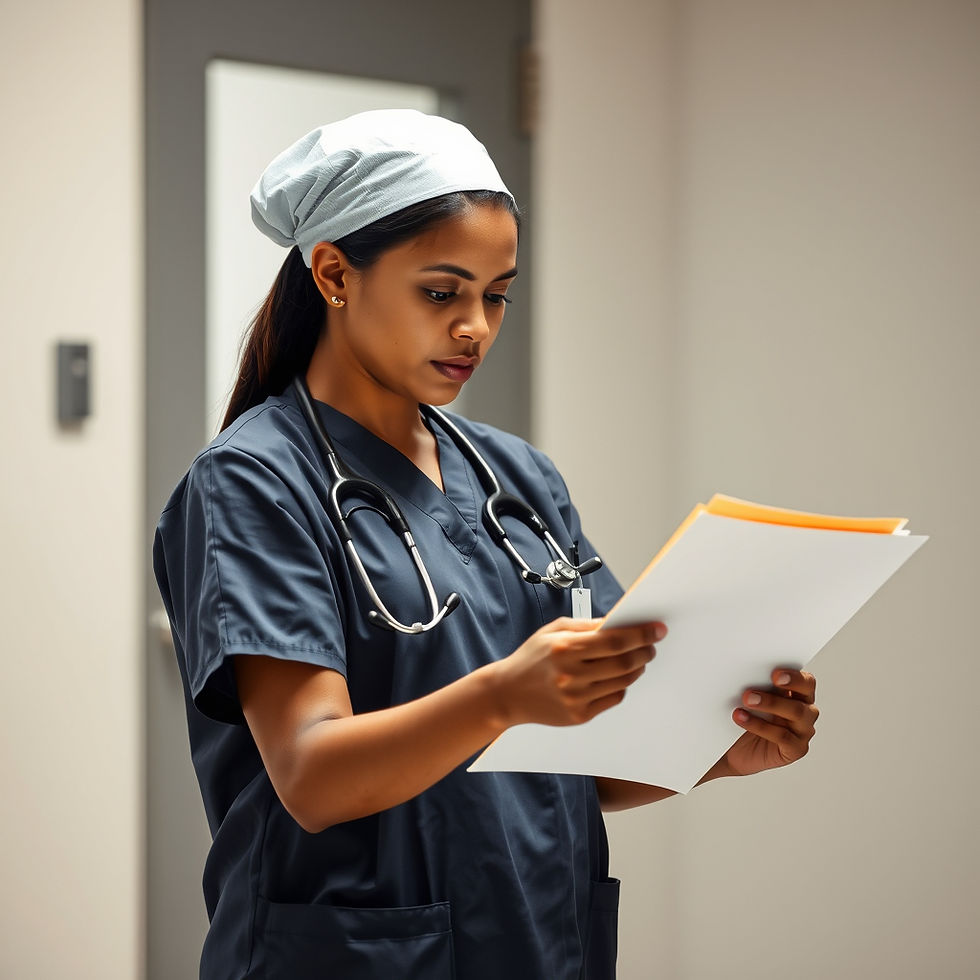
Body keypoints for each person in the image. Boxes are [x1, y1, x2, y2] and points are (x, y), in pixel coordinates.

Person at [153, 109, 819, 980]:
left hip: (537, 943)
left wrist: (718, 752)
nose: (476, 326)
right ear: (333, 274)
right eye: (442, 290)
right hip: (356, 955)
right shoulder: (253, 482)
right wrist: (503, 694)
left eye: (496, 293)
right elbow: (313, 776)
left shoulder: (518, 478)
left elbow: (575, 766)